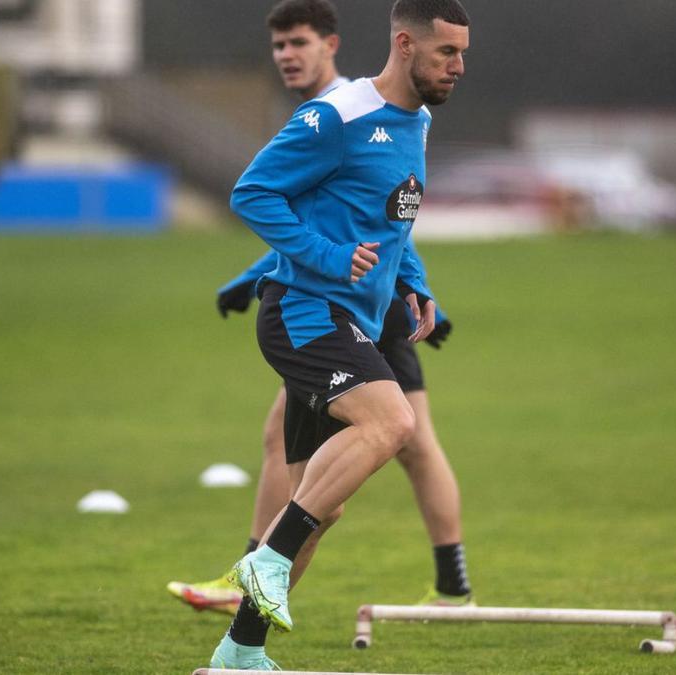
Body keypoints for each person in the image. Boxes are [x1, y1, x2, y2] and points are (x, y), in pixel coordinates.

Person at [168, 0, 472, 621]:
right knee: (393, 426)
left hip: (355, 318)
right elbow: (252, 192)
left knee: (321, 503)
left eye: (463, 53)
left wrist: (415, 283)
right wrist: (328, 259)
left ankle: (240, 651)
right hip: (308, 313)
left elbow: (393, 218)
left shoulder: (416, 122)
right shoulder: (337, 114)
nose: (460, 66)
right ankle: (265, 559)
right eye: (448, 52)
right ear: (406, 44)